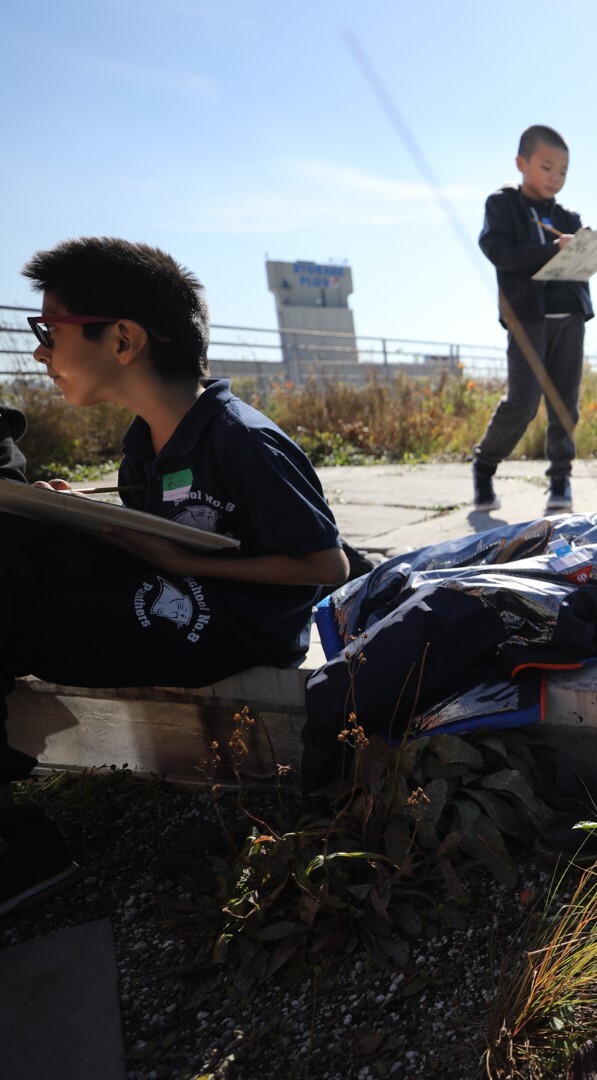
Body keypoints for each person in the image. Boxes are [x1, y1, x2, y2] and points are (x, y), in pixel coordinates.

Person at [0, 237, 347, 915]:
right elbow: (153, 542)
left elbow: (325, 563)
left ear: (124, 338)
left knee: (23, 609)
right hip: (180, 593)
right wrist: (69, 516)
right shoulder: (141, 446)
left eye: (50, 330)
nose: (40, 352)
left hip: (236, 624)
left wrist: (183, 563)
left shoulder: (242, 438)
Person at [471, 124, 597, 514]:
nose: (555, 178)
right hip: (527, 317)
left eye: (563, 172)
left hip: (570, 317)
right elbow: (498, 251)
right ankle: (485, 465)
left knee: (565, 403)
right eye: (547, 167)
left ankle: (560, 477)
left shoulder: (567, 215)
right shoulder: (502, 204)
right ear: (521, 163)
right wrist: (549, 249)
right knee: (522, 403)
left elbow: (595, 254)